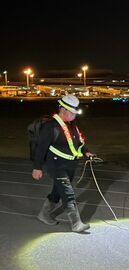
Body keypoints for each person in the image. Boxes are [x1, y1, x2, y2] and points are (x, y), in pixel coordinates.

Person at [32, 94, 95, 233]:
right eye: (72, 113)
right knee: (68, 192)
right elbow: (41, 148)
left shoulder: (72, 125)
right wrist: (37, 168)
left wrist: (86, 152)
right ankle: (76, 224)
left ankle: (44, 214)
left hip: (70, 165)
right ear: (63, 110)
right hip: (56, 165)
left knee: (58, 192)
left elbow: (78, 142)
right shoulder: (50, 126)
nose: (74, 116)